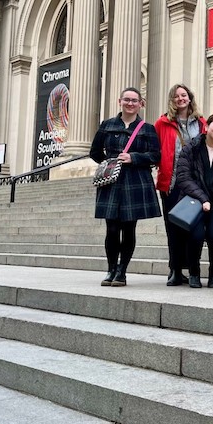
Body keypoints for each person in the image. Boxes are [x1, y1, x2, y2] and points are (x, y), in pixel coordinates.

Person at [91, 87, 161, 287]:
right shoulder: (107, 125)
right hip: (112, 182)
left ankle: (122, 271)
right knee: (111, 228)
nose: (130, 104)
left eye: (134, 101)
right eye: (127, 100)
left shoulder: (147, 128)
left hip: (135, 180)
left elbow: (156, 156)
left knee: (129, 228)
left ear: (141, 104)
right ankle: (111, 269)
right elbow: (95, 151)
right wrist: (109, 163)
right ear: (119, 101)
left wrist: (134, 157)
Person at [175, 113, 213, 288]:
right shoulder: (190, 148)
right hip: (194, 202)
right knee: (196, 236)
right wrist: (202, 198)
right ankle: (194, 272)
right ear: (206, 127)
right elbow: (183, 177)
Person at [154, 84, 207, 286]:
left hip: (196, 184)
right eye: (176, 96)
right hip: (172, 183)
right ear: (172, 100)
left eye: (184, 95)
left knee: (194, 229)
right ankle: (175, 270)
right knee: (173, 228)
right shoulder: (162, 123)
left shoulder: (201, 123)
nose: (180, 99)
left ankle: (193, 269)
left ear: (190, 98)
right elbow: (157, 150)